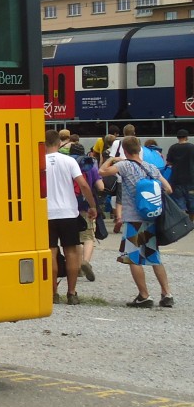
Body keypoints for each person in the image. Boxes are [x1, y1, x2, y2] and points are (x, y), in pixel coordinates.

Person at [99, 135, 175, 309]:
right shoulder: (151, 167)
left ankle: (144, 296)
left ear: (125, 151)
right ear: (139, 149)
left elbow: (102, 172)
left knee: (134, 258)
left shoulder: (124, 165)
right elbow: (168, 189)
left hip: (134, 220)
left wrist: (112, 158)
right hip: (151, 219)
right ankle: (167, 293)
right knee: (154, 257)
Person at [44, 129, 98, 305]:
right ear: (59, 143)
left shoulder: (38, 162)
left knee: (50, 252)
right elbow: (83, 184)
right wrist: (92, 205)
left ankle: (53, 293)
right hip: (68, 213)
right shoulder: (69, 161)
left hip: (46, 213)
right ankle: (72, 292)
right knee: (72, 251)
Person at [72, 144, 103, 281]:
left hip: (70, 207)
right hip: (86, 206)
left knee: (75, 239)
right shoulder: (91, 166)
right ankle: (85, 261)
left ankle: (77, 266)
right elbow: (101, 187)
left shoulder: (68, 163)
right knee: (88, 237)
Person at [166, 129, 194, 214]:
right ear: (187, 137)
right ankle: (191, 223)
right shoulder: (192, 147)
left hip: (176, 180)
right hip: (191, 180)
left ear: (178, 137)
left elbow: (169, 162)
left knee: (180, 203)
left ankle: (184, 224)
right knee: (192, 203)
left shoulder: (173, 147)